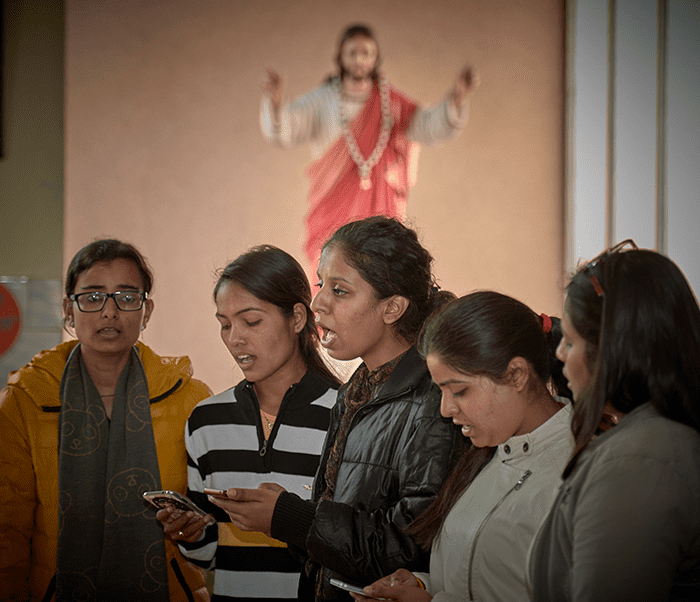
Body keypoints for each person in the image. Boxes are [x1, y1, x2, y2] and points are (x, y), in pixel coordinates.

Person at [208, 216, 459, 600]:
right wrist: (288, 515)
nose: (318, 303)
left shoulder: (433, 399)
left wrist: (293, 518)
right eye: (321, 284)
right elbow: (338, 539)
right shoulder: (357, 390)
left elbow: (411, 545)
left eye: (339, 291)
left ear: (391, 308)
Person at [0, 239, 211, 602]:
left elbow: (212, 513)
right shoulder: (26, 400)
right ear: (68, 309)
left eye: (127, 297)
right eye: (93, 297)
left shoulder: (189, 398)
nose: (110, 312)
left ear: (147, 311)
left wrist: (198, 524)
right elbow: (8, 530)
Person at [353, 291, 574, 602]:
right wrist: (420, 586)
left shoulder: (580, 473)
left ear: (517, 375)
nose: (445, 410)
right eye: (441, 391)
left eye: (458, 391)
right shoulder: (486, 454)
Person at [155, 245, 341, 601]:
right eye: (225, 325)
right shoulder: (206, 421)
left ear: (298, 318)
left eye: (251, 321)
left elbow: (355, 547)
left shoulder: (346, 415)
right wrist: (190, 534)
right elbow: (212, 556)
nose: (235, 338)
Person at [528, 241, 700, 601]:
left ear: (611, 352)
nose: (559, 353)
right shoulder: (646, 439)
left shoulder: (639, 460)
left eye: (570, 344)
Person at [260, 24, 479, 272]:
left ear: (376, 59)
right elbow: (286, 129)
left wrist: (457, 98)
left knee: (379, 271)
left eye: (366, 53)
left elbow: (427, 126)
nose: (359, 60)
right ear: (340, 57)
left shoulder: (391, 103)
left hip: (381, 206)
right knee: (330, 268)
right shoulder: (323, 100)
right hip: (332, 204)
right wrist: (275, 101)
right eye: (352, 53)